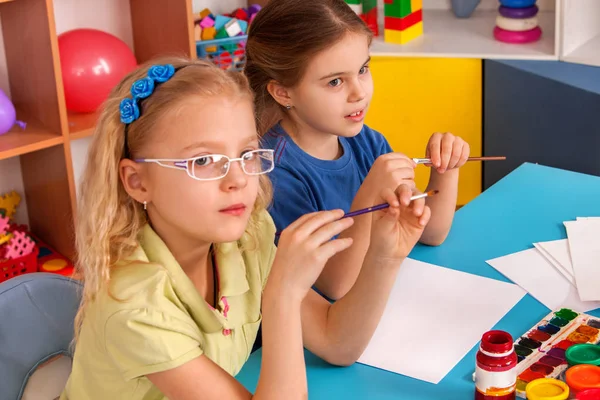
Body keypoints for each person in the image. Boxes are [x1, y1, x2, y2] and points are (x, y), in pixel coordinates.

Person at [60, 57, 431, 400]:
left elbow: (338, 344)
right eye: (204, 160)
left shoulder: (246, 236)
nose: (237, 178)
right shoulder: (135, 304)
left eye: (247, 154)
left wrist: (384, 255)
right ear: (138, 182)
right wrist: (282, 294)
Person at [245, 0, 471, 300]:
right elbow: (335, 286)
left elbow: (429, 233)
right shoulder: (272, 173)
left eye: (363, 69)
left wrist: (446, 169)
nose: (360, 92)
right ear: (283, 92)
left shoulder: (367, 142)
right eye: (335, 81)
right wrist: (369, 194)